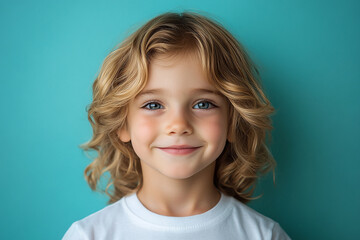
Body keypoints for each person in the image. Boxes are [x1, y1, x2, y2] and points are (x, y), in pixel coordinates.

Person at [63, 11, 291, 240]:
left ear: (232, 121)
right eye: (153, 105)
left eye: (203, 104)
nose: (179, 125)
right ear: (122, 123)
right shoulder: (88, 235)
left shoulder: (264, 235)